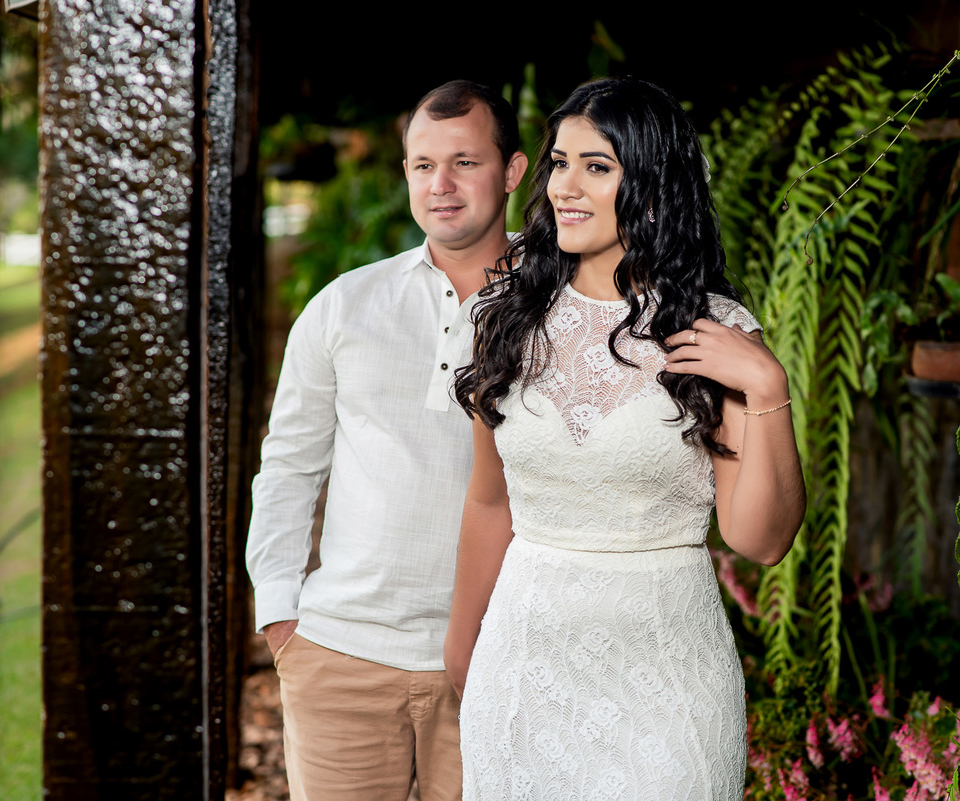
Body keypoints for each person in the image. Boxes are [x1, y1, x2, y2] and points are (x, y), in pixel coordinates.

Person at [444, 77, 806, 799]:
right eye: (559, 162)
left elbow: (759, 540)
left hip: (668, 678)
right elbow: (490, 504)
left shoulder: (717, 333)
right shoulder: (504, 319)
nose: (565, 186)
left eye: (597, 166)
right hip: (523, 668)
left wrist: (769, 390)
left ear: (649, 184)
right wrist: (462, 651)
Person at [246, 80, 528, 801]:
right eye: (421, 165)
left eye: (465, 161)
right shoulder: (345, 304)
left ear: (514, 170)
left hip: (503, 658)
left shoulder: (560, 309)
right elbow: (287, 465)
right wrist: (281, 614)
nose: (441, 185)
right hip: (342, 657)